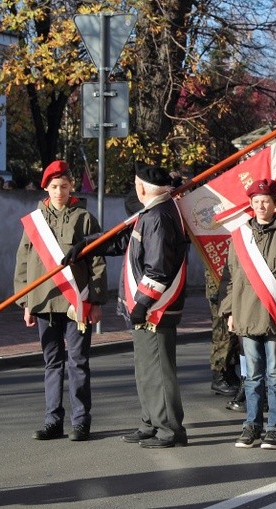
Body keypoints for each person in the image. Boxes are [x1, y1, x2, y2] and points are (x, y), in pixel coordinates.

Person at [65, 166, 189, 448]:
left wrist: (143, 303)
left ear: (141, 188)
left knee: (158, 370)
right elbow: (123, 239)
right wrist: (88, 245)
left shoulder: (159, 216)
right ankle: (150, 422)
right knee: (145, 368)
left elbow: (158, 269)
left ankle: (169, 430)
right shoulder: (152, 212)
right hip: (149, 308)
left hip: (156, 308)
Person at [14, 160, 107, 441]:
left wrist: (97, 300)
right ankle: (53, 420)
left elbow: (97, 262)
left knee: (78, 363)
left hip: (75, 303)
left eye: (64, 186)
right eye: (54, 187)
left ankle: (81, 421)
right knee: (52, 363)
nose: (59, 192)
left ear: (71, 187)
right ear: (46, 187)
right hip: (43, 303)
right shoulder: (35, 221)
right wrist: (26, 302)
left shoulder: (85, 218)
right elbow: (23, 261)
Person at [221, 178, 276, 449]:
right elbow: (230, 277)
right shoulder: (240, 235)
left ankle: (274, 426)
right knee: (253, 375)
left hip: (274, 314)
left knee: (275, 374)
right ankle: (251, 425)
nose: (261, 206)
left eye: (266, 201)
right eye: (256, 202)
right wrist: (229, 312)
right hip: (246, 313)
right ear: (250, 204)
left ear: (275, 203)